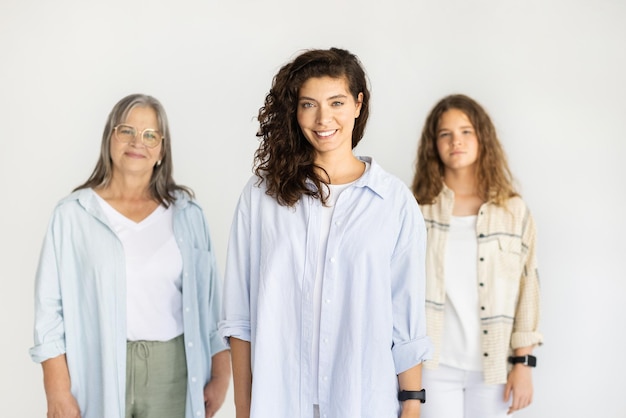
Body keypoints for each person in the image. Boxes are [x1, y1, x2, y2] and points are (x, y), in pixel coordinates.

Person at [219, 47, 432, 418]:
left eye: (336, 102)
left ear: (358, 104)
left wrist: (412, 405)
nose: (323, 118)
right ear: (294, 110)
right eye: (308, 104)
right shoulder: (261, 195)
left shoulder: (393, 202)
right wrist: (243, 406)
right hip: (278, 400)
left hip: (362, 399)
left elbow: (406, 315)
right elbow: (240, 315)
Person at [30, 94, 230, 418]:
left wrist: (221, 376)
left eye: (150, 135)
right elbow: (49, 309)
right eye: (127, 131)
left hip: (174, 371)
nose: (138, 142)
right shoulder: (73, 215)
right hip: (98, 368)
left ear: (162, 149)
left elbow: (211, 305)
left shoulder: (188, 214)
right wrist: (56, 388)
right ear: (110, 136)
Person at [411, 94, 543, 417]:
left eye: (466, 131)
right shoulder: (416, 209)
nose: (456, 140)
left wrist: (523, 364)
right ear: (434, 144)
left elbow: (529, 292)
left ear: (482, 137)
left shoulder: (513, 210)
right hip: (433, 365)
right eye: (445, 133)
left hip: (493, 367)